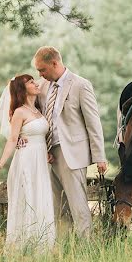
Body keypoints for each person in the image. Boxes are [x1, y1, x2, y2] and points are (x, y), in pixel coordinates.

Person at [32, 46, 107, 238]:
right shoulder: (42, 87)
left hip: (72, 153)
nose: (39, 74)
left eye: (42, 70)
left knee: (78, 205)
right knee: (57, 206)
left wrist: (100, 156)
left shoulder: (80, 85)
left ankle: (86, 248)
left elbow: (93, 122)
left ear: (55, 63)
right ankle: (64, 247)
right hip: (48, 154)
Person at [0, 74, 56, 252]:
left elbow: (40, 136)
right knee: (28, 200)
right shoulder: (19, 112)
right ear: (22, 89)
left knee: (41, 199)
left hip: (40, 160)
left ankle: (43, 247)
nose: (36, 83)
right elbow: (12, 139)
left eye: (34, 80)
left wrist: (47, 152)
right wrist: (1, 163)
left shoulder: (38, 110)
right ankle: (22, 248)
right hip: (26, 161)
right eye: (31, 82)